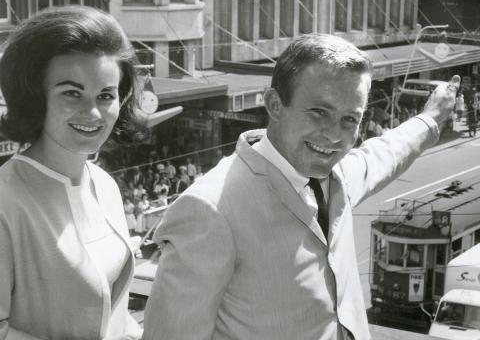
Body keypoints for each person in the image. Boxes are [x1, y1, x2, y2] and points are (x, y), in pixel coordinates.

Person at [142, 34, 458, 340]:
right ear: (275, 105)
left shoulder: (339, 177)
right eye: (319, 112)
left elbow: (387, 152)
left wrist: (431, 119)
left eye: (349, 119)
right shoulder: (209, 209)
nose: (333, 135)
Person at [0, 6, 148, 339]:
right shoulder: (5, 201)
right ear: (35, 96)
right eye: (71, 92)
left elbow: (115, 311)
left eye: (106, 95)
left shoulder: (106, 185)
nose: (92, 111)